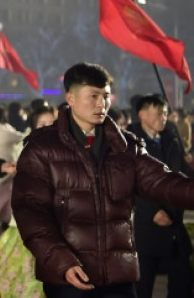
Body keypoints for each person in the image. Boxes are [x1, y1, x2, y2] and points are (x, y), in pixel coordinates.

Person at [12, 62, 194, 297]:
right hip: (70, 279)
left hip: (119, 277)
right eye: (94, 96)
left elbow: (164, 182)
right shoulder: (42, 148)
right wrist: (61, 261)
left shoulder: (125, 147)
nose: (101, 104)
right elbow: (30, 212)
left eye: (106, 96)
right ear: (71, 98)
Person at [127, 94, 194, 298]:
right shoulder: (129, 144)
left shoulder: (170, 141)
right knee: (142, 287)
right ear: (142, 114)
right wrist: (151, 212)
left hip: (173, 224)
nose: (163, 117)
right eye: (158, 113)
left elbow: (183, 175)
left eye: (165, 113)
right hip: (146, 228)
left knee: (182, 281)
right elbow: (130, 184)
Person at [0, 105, 57, 298]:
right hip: (28, 218)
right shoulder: (25, 147)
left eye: (51, 123)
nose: (47, 128)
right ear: (34, 126)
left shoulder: (64, 149)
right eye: (42, 124)